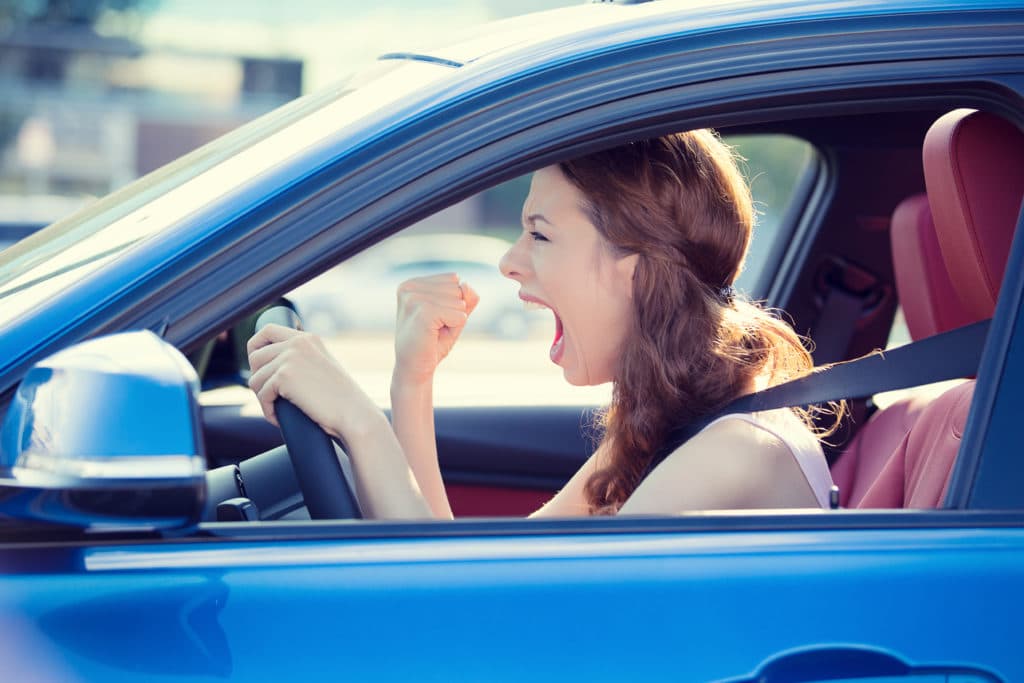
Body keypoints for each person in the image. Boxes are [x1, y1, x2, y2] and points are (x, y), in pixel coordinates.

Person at [246, 131, 836, 519]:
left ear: (635, 270)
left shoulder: (733, 451)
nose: (508, 261)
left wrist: (360, 424)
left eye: (540, 234)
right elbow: (468, 577)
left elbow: (463, 624)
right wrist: (412, 383)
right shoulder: (670, 428)